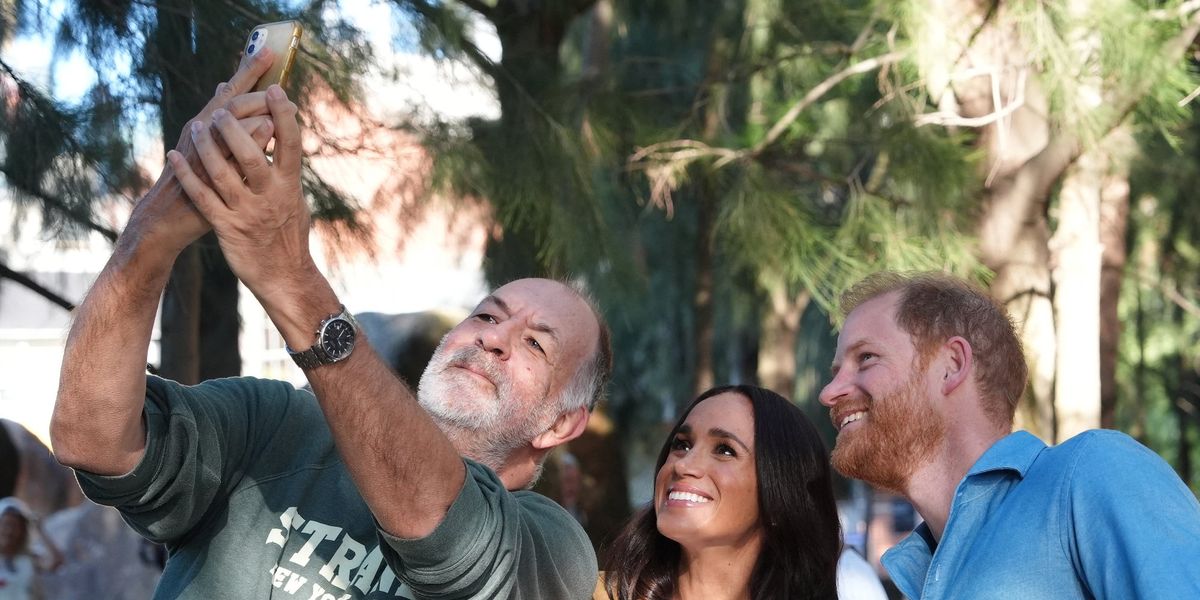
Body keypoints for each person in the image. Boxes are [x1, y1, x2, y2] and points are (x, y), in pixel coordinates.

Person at [51, 50, 612, 599]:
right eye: (487, 314)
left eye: (535, 344)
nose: (493, 337)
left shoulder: (553, 550)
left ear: (560, 426)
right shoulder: (277, 423)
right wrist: (148, 238)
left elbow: (442, 529)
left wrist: (292, 279)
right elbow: (92, 440)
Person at [819, 271, 1200, 599]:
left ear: (951, 365)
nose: (829, 392)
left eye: (865, 358)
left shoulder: (1091, 472)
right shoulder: (916, 572)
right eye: (837, 369)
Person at [597, 385, 841, 600]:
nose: (682, 465)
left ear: (781, 493)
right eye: (681, 445)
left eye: (725, 450)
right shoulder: (590, 594)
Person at [0, 497, 64, 600]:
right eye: (6, 524)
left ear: (22, 531)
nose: (9, 531)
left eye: (15, 526)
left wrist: (40, 530)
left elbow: (56, 562)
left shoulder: (30, 559)